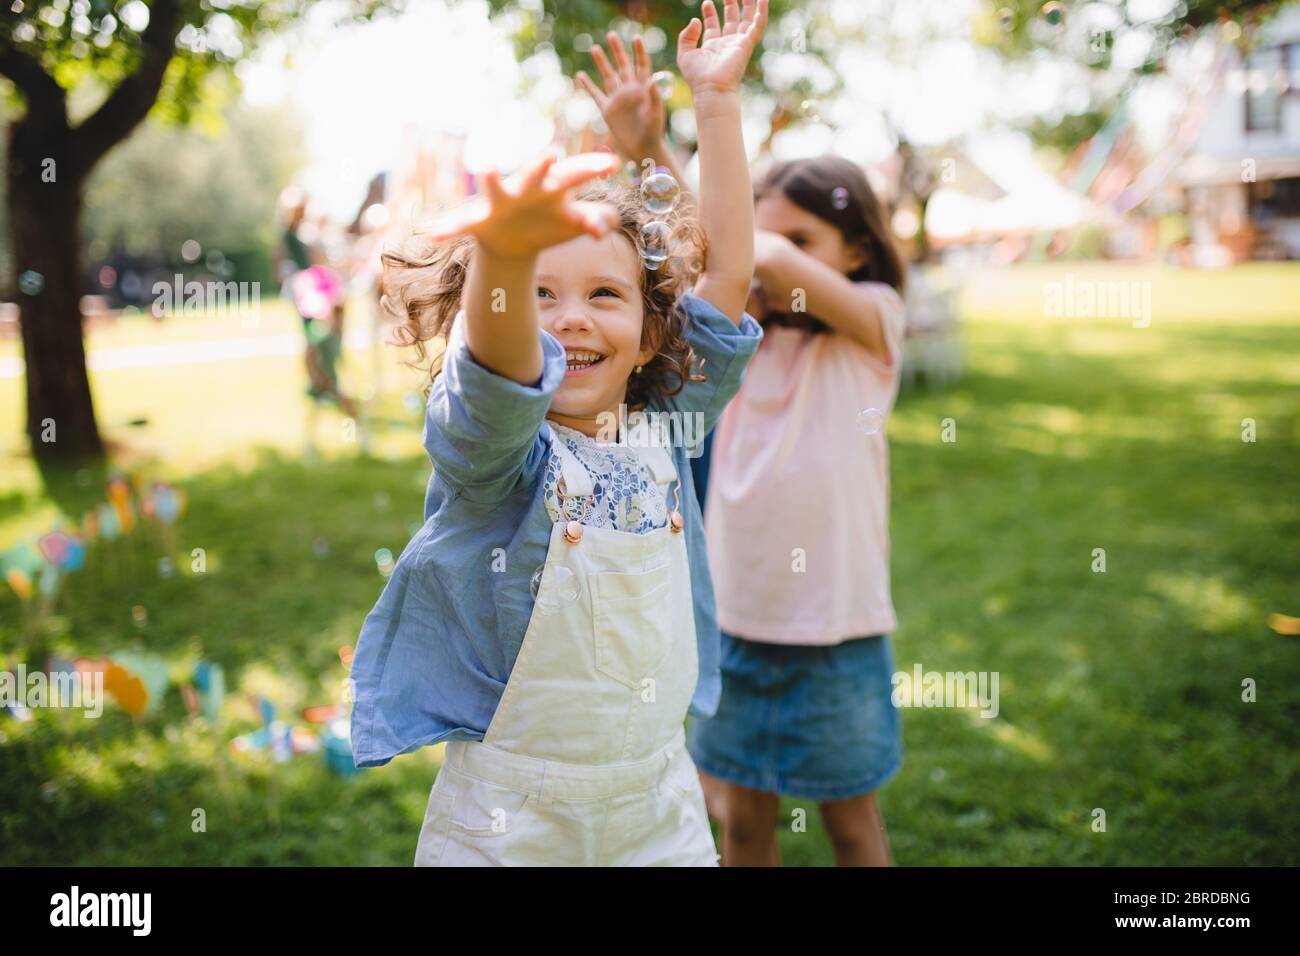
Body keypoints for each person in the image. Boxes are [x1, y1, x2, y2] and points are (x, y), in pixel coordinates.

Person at [349, 0, 768, 867]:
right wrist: (503, 256)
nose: (570, 319)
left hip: (657, 805)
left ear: (655, 334)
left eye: (604, 295)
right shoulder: (499, 456)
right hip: (509, 820)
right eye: (540, 293)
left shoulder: (670, 425)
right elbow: (503, 375)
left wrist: (716, 102)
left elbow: (727, 269)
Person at [688, 155, 909, 865]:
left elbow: (749, 249)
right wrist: (650, 143)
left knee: (851, 825)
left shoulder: (874, 323)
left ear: (857, 250)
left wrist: (747, 240)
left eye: (802, 239)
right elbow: (721, 244)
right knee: (742, 827)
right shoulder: (739, 347)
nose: (770, 261)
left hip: (836, 630)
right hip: (738, 624)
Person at [277, 188, 370, 456]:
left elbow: (324, 295)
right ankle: (316, 443)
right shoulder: (302, 256)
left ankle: (358, 434)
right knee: (321, 385)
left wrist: (325, 324)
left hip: (323, 328)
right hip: (317, 326)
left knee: (327, 383)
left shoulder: (316, 263)